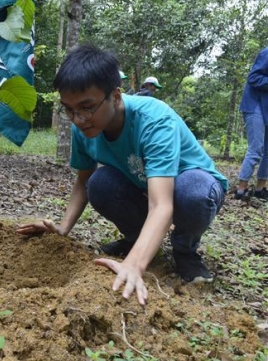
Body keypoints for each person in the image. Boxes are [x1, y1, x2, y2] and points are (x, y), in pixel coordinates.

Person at [17, 45, 227, 306]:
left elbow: (161, 204)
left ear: (115, 96)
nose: (79, 119)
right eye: (69, 110)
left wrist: (134, 266)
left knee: (193, 192)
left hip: (195, 183)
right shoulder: (81, 128)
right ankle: (139, 240)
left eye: (87, 107)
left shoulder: (154, 120)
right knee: (99, 183)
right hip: (144, 184)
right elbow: (83, 181)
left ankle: (185, 250)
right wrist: (62, 228)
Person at [234, 46, 268, 201]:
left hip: (266, 108)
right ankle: (241, 190)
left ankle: (261, 189)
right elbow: (253, 77)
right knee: (256, 149)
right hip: (255, 106)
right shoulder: (267, 53)